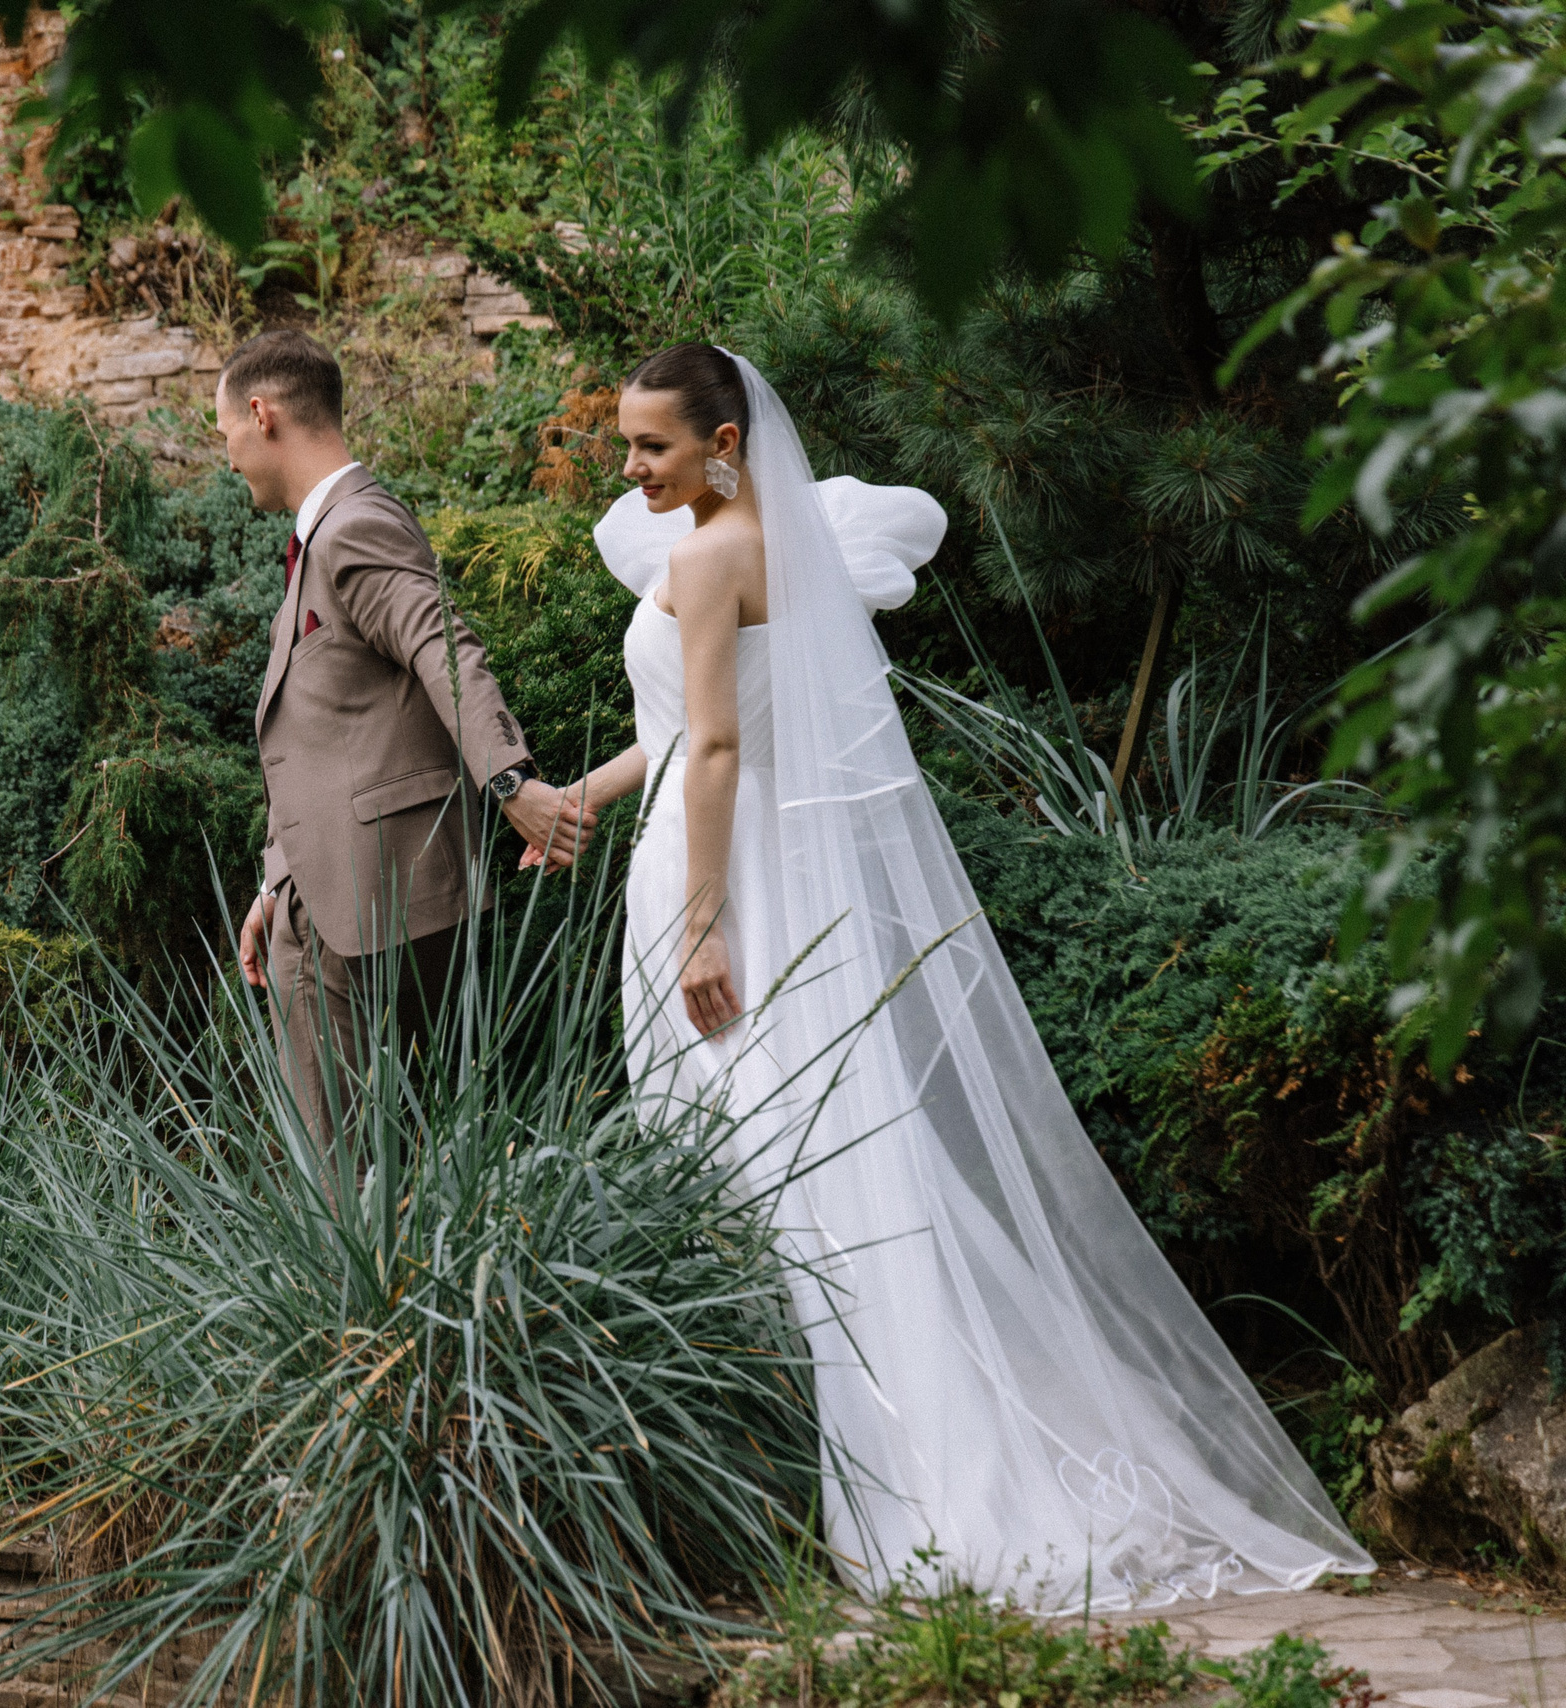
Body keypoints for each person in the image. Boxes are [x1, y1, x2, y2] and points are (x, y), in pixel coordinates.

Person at [555, 342, 1373, 1609]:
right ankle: (803, 1457)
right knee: (780, 1154)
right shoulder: (765, 545)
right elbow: (688, 730)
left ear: (723, 444)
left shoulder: (715, 555)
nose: (629, 468)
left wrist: (703, 924)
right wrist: (587, 795)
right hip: (730, 858)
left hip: (726, 883)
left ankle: (873, 1471)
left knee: (765, 1161)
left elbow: (716, 747)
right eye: (625, 445)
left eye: (649, 446)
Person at [219, 329, 594, 1147]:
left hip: (364, 902)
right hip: (347, 888)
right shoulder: (333, 533)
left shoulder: (354, 525)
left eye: (227, 435)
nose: (229, 457)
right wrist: (277, 881)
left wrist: (509, 782)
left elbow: (442, 645)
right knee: (416, 1153)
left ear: (261, 413)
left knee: (336, 1166)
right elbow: (328, 728)